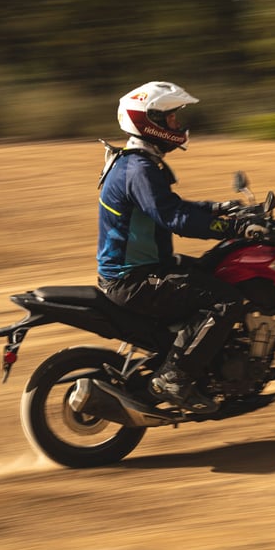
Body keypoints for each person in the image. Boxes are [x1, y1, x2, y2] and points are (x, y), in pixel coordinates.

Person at [96, 80, 246, 414]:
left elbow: (171, 206)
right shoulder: (139, 169)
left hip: (145, 266)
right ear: (151, 122)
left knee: (215, 269)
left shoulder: (137, 163)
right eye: (172, 119)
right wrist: (235, 227)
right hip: (133, 279)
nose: (177, 125)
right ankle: (173, 378)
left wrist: (221, 208)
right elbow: (175, 218)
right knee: (226, 300)